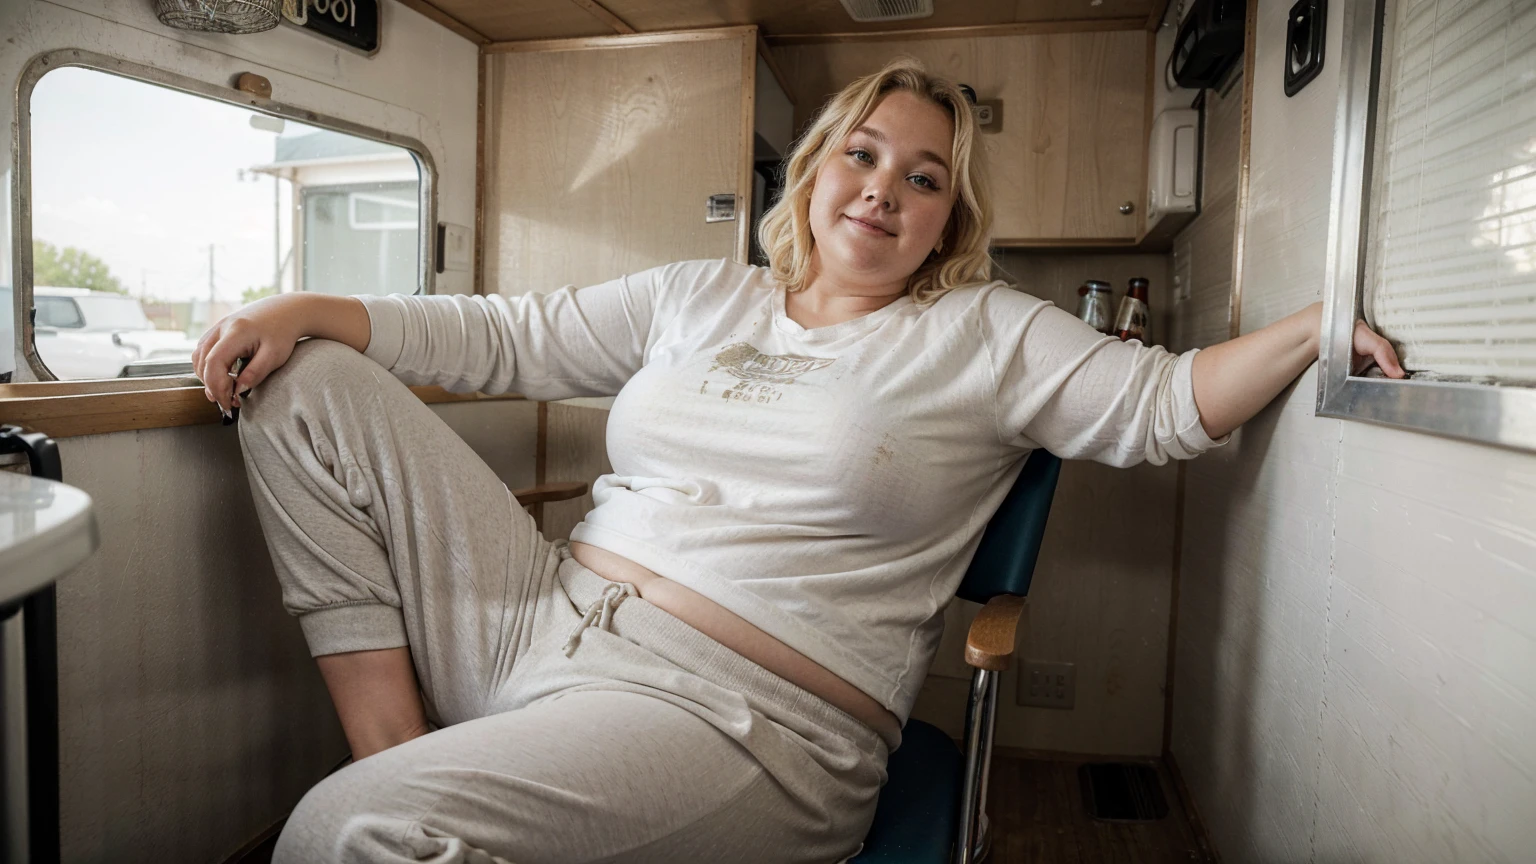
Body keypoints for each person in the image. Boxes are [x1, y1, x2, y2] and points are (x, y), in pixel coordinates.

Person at [194, 59, 1404, 863]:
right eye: (864, 156)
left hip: (744, 719)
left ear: (949, 220)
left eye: (923, 179)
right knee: (304, 383)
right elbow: (500, 337)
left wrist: (1310, 326)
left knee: (342, 835)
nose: (884, 191)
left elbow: (1159, 405)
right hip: (536, 616)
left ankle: (398, 793)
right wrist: (306, 303)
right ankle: (401, 748)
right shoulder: (699, 295)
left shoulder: (986, 330)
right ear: (818, 168)